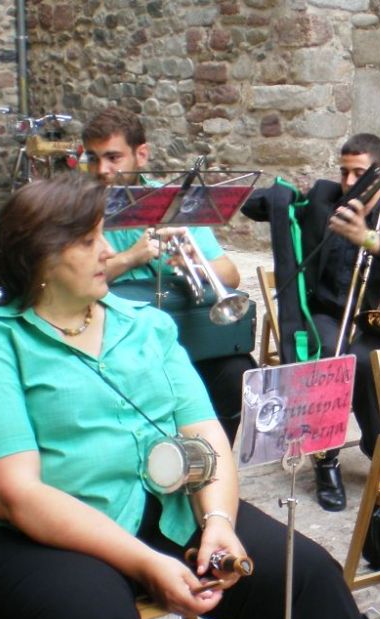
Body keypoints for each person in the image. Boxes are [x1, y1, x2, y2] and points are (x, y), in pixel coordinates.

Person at [0, 175, 380, 619]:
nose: (109, 250)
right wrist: (147, 563)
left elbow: (205, 436)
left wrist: (219, 525)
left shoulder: (147, 326)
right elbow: (15, 495)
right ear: (38, 256)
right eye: (88, 240)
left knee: (310, 578)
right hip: (34, 538)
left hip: (165, 509)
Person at [241, 133, 380, 511]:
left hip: (375, 317)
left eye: (357, 173)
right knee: (330, 356)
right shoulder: (325, 200)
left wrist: (368, 238)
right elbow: (254, 207)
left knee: (372, 362)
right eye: (343, 171)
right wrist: (286, 198)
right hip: (324, 312)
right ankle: (325, 460)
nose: (347, 182)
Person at [81, 107, 255, 443]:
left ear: (141, 154)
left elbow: (229, 276)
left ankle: (208, 469)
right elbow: (76, 282)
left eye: (113, 157)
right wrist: (132, 257)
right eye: (93, 158)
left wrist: (195, 259)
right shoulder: (78, 207)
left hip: (181, 332)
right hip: (118, 337)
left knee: (239, 378)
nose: (102, 170)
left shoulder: (175, 200)